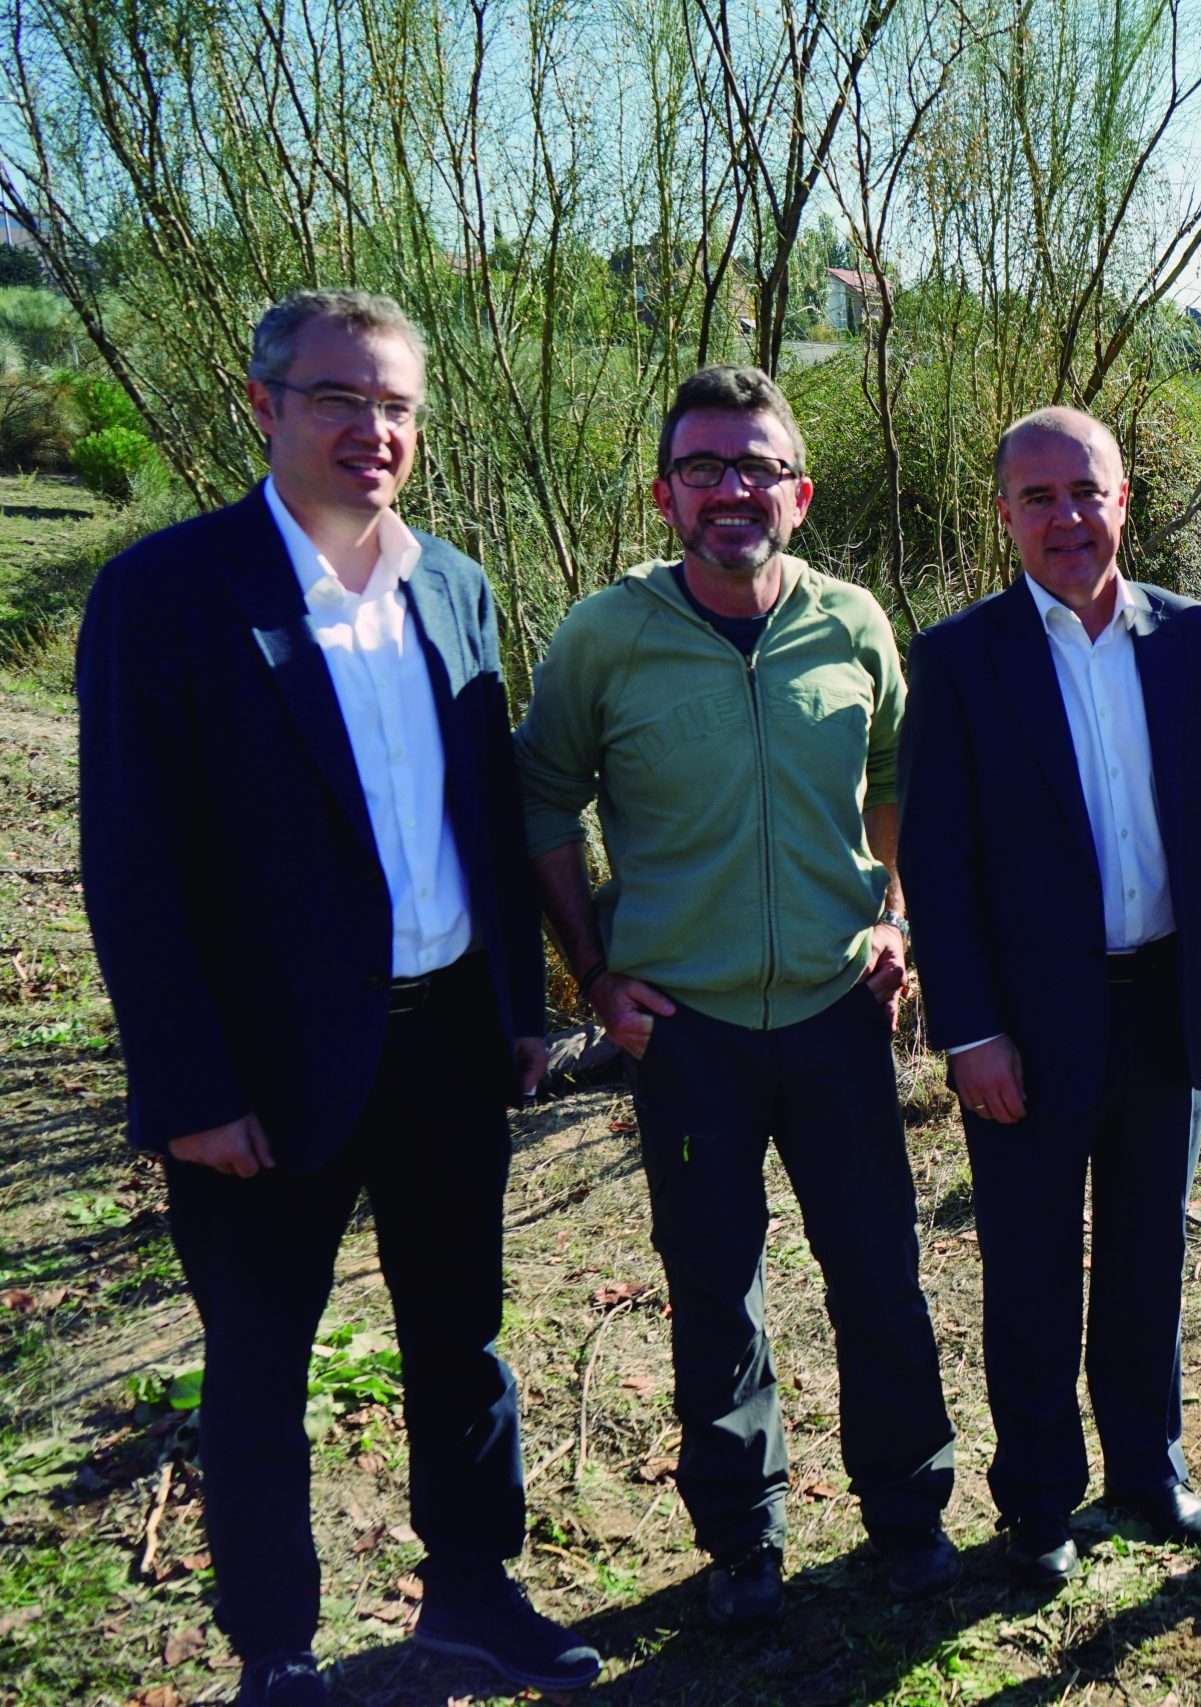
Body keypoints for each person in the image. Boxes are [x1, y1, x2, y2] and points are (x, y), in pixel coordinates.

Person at [76, 290, 597, 1703]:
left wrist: (523, 1007)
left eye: (396, 405)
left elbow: (487, 814)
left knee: (460, 1338)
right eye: (339, 398)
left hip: (447, 1042)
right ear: (264, 405)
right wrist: (191, 1089)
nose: (373, 428)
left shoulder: (455, 586)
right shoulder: (168, 593)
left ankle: (474, 1594)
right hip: (264, 1066)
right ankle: (279, 1650)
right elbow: (132, 866)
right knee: (260, 1362)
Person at [512, 366, 958, 1620]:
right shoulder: (604, 636)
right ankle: (743, 1539)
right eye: (703, 467)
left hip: (836, 1014)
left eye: (757, 467)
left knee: (878, 1274)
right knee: (714, 1288)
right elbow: (540, 802)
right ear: (664, 496)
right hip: (685, 1031)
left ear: (798, 495)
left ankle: (908, 1512)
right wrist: (593, 973)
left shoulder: (851, 622)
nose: (731, 490)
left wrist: (895, 915)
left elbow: (896, 774)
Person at [898, 407, 1201, 1586]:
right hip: (1026, 1021)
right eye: (1038, 497)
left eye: (1085, 492)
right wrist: (969, 1032)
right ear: (1004, 514)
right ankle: (1039, 1501)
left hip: (1166, 1000)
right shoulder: (960, 659)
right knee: (1030, 1267)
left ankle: (1148, 1472)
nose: (1066, 517)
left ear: (1124, 502)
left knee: (1148, 1250)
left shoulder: (1192, 638)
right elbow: (938, 862)